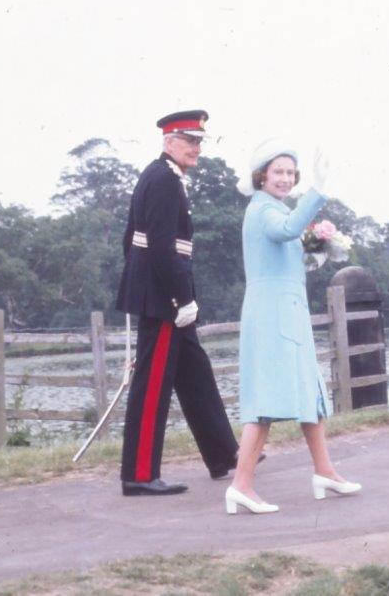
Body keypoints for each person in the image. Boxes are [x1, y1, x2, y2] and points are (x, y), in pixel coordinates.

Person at [224, 138, 362, 514]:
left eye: (290, 173)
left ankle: (325, 471)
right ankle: (241, 485)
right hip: (272, 316)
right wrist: (317, 192)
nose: (285, 179)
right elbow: (285, 230)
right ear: (261, 176)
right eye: (278, 172)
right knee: (266, 401)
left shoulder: (275, 208)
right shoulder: (262, 210)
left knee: (309, 394)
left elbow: (287, 246)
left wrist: (318, 249)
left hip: (287, 312)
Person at [115, 109, 240, 496]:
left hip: (159, 291)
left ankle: (224, 456)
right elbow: (162, 246)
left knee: (195, 372)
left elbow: (131, 242)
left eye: (200, 141)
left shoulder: (165, 177)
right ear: (169, 142)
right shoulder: (164, 180)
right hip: (164, 296)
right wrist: (180, 298)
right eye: (190, 141)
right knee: (153, 384)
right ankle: (138, 474)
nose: (197, 148)